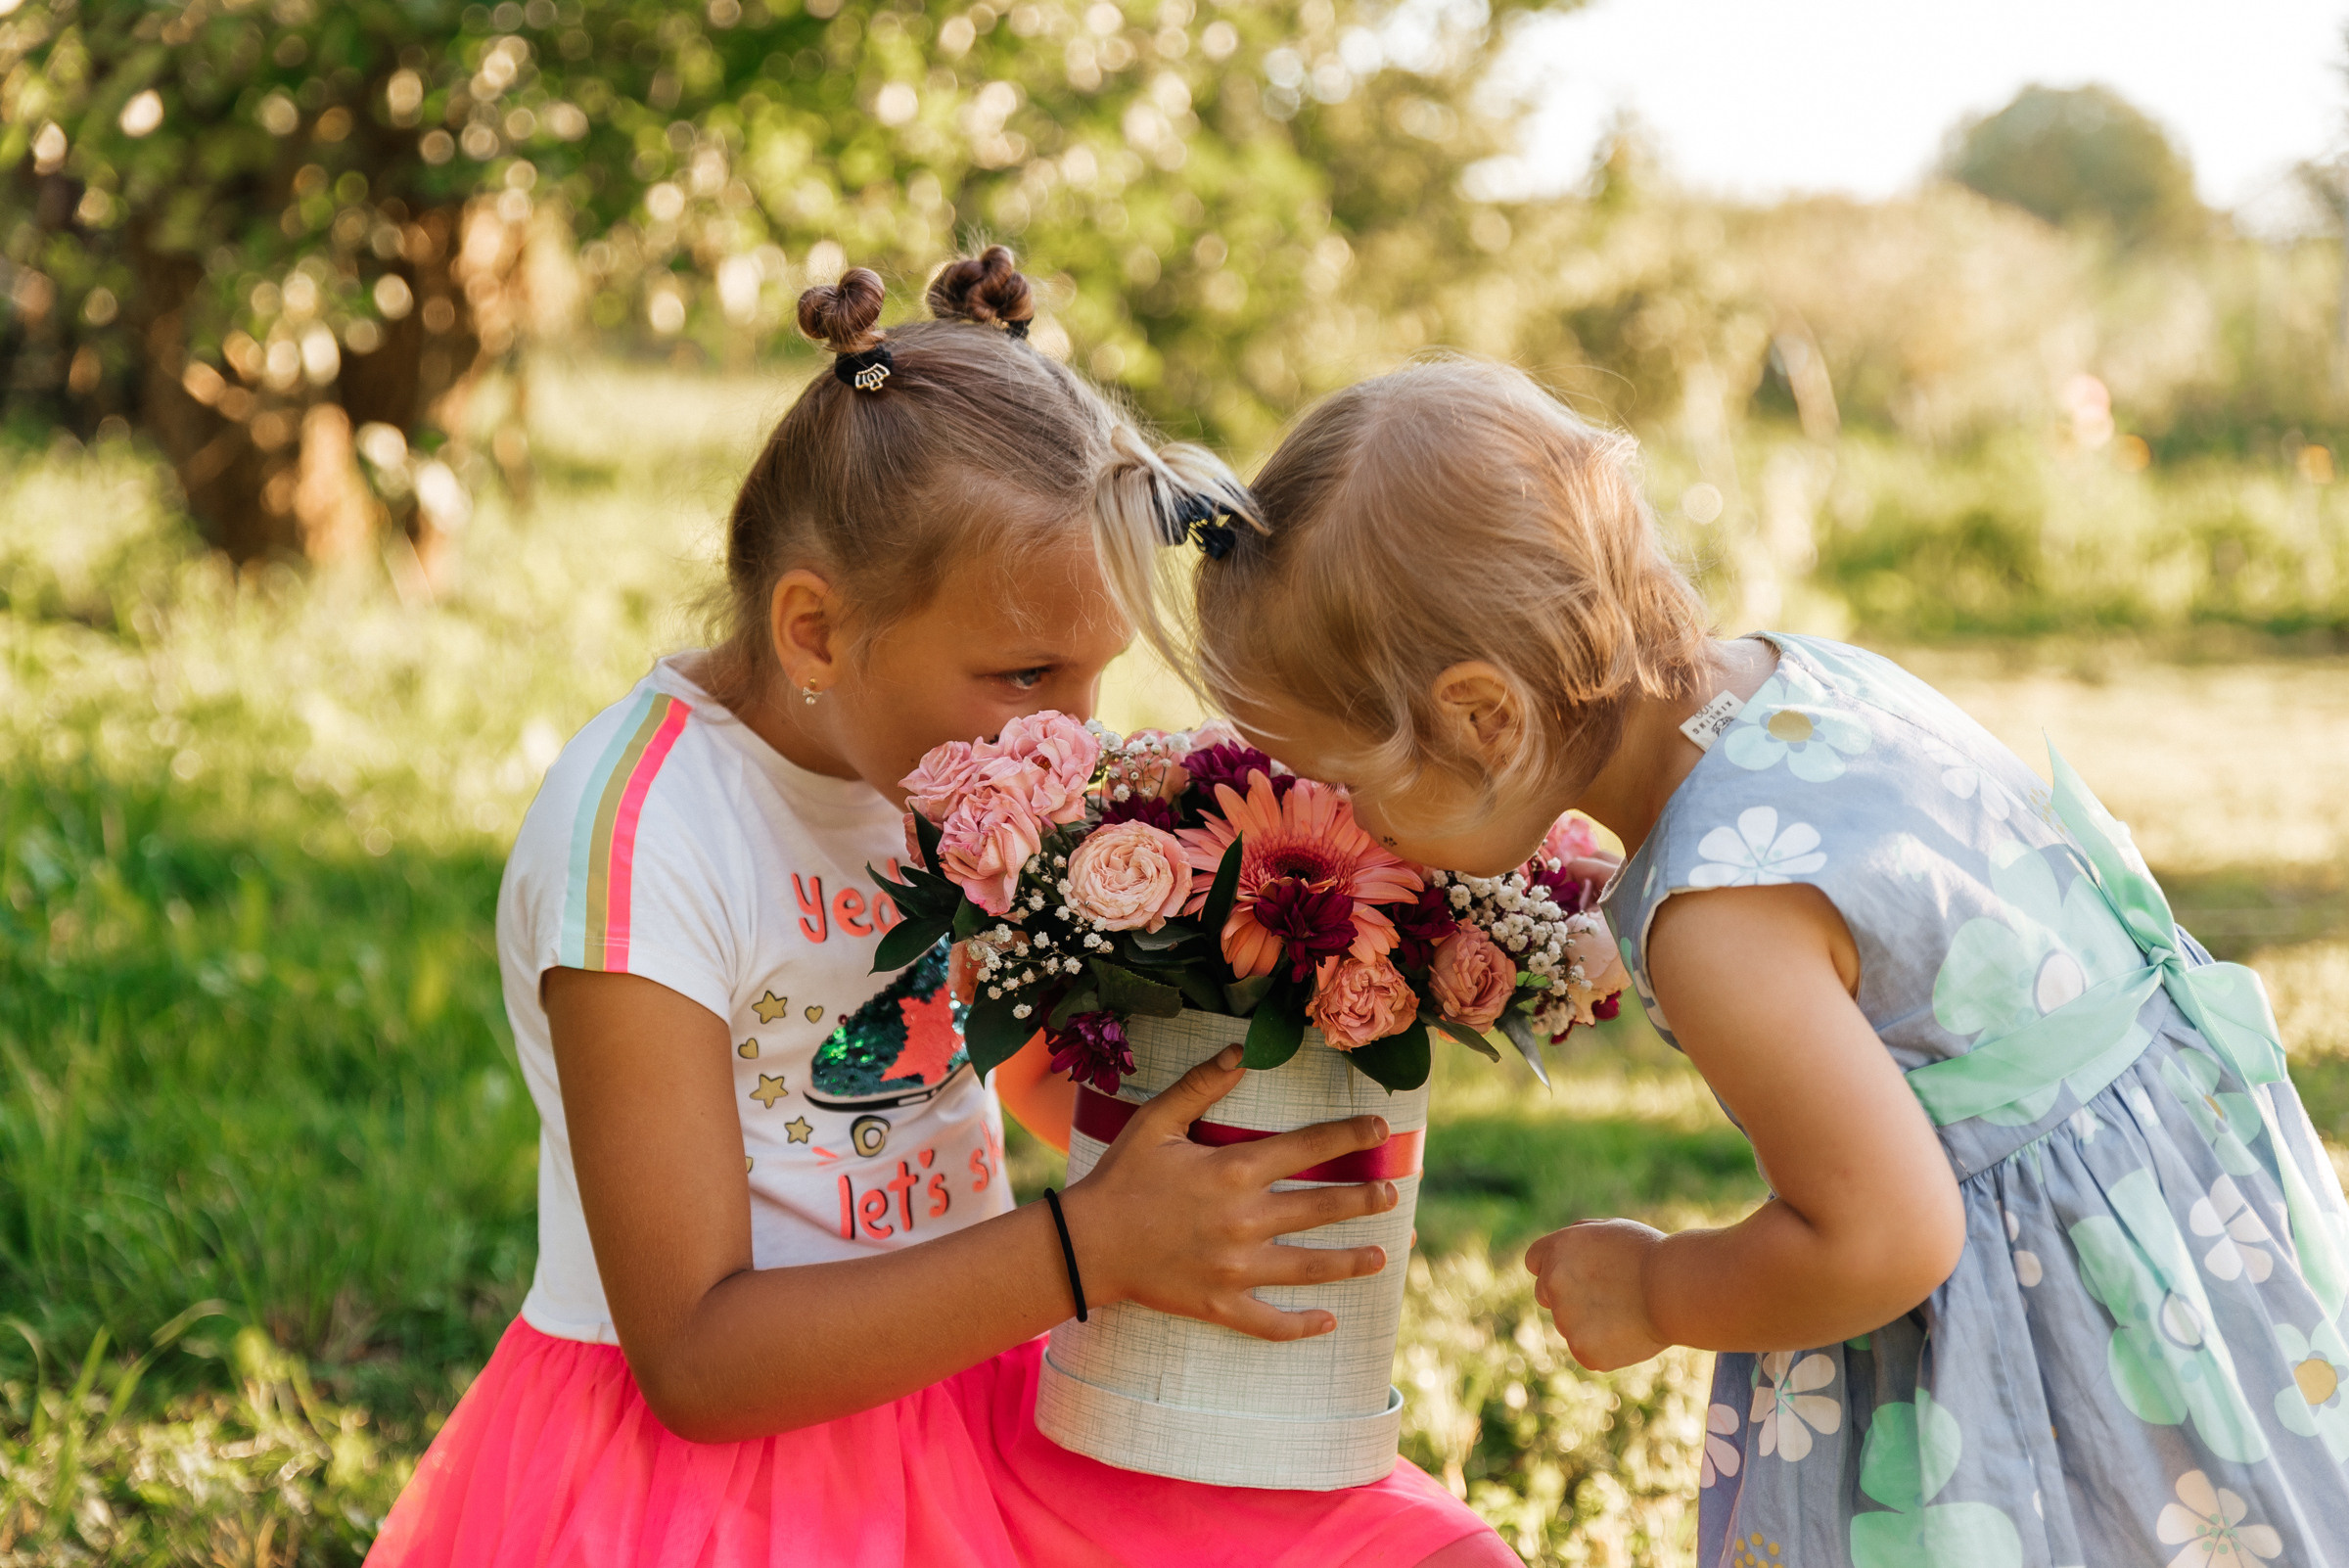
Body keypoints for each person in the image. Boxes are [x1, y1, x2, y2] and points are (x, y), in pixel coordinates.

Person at [365, 252, 1511, 1568]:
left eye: (1092, 675)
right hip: (720, 1470)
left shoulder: (944, 755)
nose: (1072, 731)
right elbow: (694, 1354)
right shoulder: (644, 834)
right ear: (814, 633)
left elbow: (1022, 1067)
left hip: (977, 1371)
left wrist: (1236, 1058)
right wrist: (1090, 1246)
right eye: (1026, 671)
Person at [1111, 355, 2349, 1566]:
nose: (1345, 823)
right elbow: (1866, 925)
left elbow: (1883, 1239)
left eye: (1349, 784)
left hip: (2043, 1342)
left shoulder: (1719, 925)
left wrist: (1658, 1290)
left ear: (1486, 716)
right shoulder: (1800, 681)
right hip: (2190, 1254)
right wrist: (1607, 921)